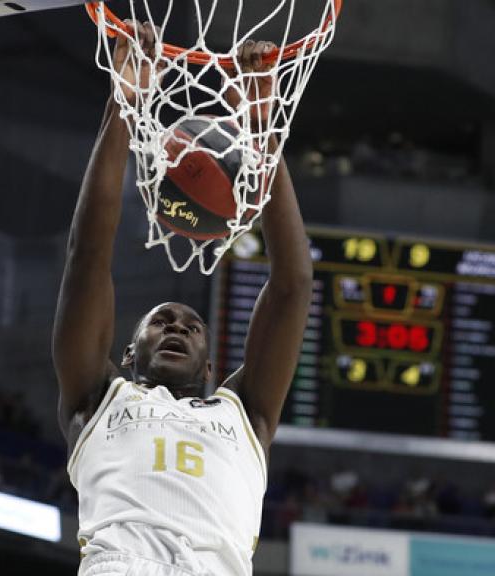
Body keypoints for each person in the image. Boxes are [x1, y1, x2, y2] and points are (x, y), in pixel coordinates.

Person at [52, 23, 313, 576]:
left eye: (192, 327)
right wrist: (124, 101)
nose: (176, 327)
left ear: (213, 366)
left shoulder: (246, 415)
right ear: (127, 353)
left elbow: (292, 286)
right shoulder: (96, 401)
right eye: (160, 322)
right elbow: (88, 255)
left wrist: (264, 128)